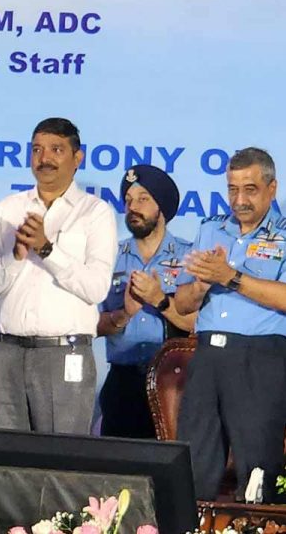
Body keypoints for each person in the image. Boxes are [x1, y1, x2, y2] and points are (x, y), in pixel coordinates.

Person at [0, 117, 117, 434]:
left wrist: (47, 249)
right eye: (37, 150)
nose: (44, 159)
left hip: (64, 354)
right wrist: (16, 256)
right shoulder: (9, 209)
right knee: (3, 458)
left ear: (78, 158)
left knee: (59, 461)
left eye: (56, 149)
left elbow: (96, 288)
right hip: (5, 353)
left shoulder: (95, 213)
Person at [174, 147, 286, 503]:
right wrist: (203, 285)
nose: (239, 200)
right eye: (232, 189)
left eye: (250, 189)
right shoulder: (210, 229)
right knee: (193, 462)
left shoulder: (283, 235)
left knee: (256, 469)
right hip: (207, 356)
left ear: (272, 188)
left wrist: (232, 276)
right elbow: (183, 303)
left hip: (259, 357)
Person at [96, 165, 196, 438]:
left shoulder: (191, 258)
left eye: (142, 199)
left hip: (176, 381)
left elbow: (198, 324)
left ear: (161, 207)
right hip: (123, 382)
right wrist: (123, 315)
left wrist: (160, 300)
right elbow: (91, 325)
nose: (133, 207)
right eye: (128, 201)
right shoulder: (110, 256)